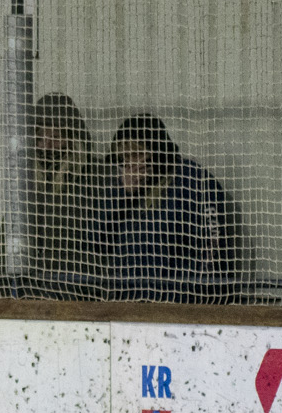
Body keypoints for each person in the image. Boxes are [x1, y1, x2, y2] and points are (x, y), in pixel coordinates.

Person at [99, 113, 237, 305]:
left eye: (137, 154)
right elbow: (98, 243)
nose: (131, 165)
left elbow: (214, 252)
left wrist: (186, 301)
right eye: (124, 158)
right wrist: (123, 195)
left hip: (181, 309)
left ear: (156, 151)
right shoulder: (123, 190)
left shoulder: (194, 181)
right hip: (129, 308)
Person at [0, 93, 104, 301]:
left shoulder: (95, 177)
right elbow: (7, 245)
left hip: (81, 299)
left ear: (72, 138)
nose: (48, 145)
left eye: (56, 137)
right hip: (27, 300)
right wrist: (2, 300)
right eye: (42, 137)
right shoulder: (24, 182)